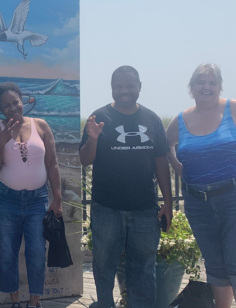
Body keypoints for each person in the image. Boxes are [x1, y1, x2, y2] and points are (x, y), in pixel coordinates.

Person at [165, 63, 236, 308]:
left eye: (212, 82)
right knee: (215, 266)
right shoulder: (181, 119)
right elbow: (166, 144)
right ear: (191, 87)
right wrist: (175, 164)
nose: (206, 87)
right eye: (201, 82)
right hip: (199, 203)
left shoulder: (234, 109)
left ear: (219, 86)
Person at [79, 66, 174, 308]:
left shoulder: (151, 119)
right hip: (107, 208)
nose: (124, 91)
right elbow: (85, 159)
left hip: (144, 209)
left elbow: (161, 161)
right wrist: (93, 138)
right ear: (112, 88)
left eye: (130, 85)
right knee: (103, 265)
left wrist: (168, 202)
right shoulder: (98, 117)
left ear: (139, 87)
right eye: (119, 86)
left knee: (143, 267)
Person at [0, 82, 63, 308]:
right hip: (6, 201)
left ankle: (34, 302)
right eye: (6, 106)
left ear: (22, 101)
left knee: (37, 252)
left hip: (37, 201)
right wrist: (1, 143)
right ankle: (15, 301)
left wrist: (57, 198)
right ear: (0, 109)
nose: (12, 108)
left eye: (15, 103)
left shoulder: (41, 125)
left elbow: (53, 164)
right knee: (7, 253)